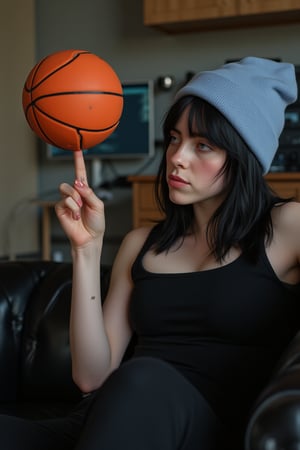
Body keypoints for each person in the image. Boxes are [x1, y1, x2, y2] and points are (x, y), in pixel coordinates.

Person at [1, 56, 300, 450]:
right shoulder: (141, 245)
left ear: (243, 156)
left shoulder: (286, 226)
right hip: (111, 422)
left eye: (203, 145)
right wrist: (86, 250)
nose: (177, 157)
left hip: (199, 429)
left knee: (145, 377)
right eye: (174, 138)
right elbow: (91, 378)